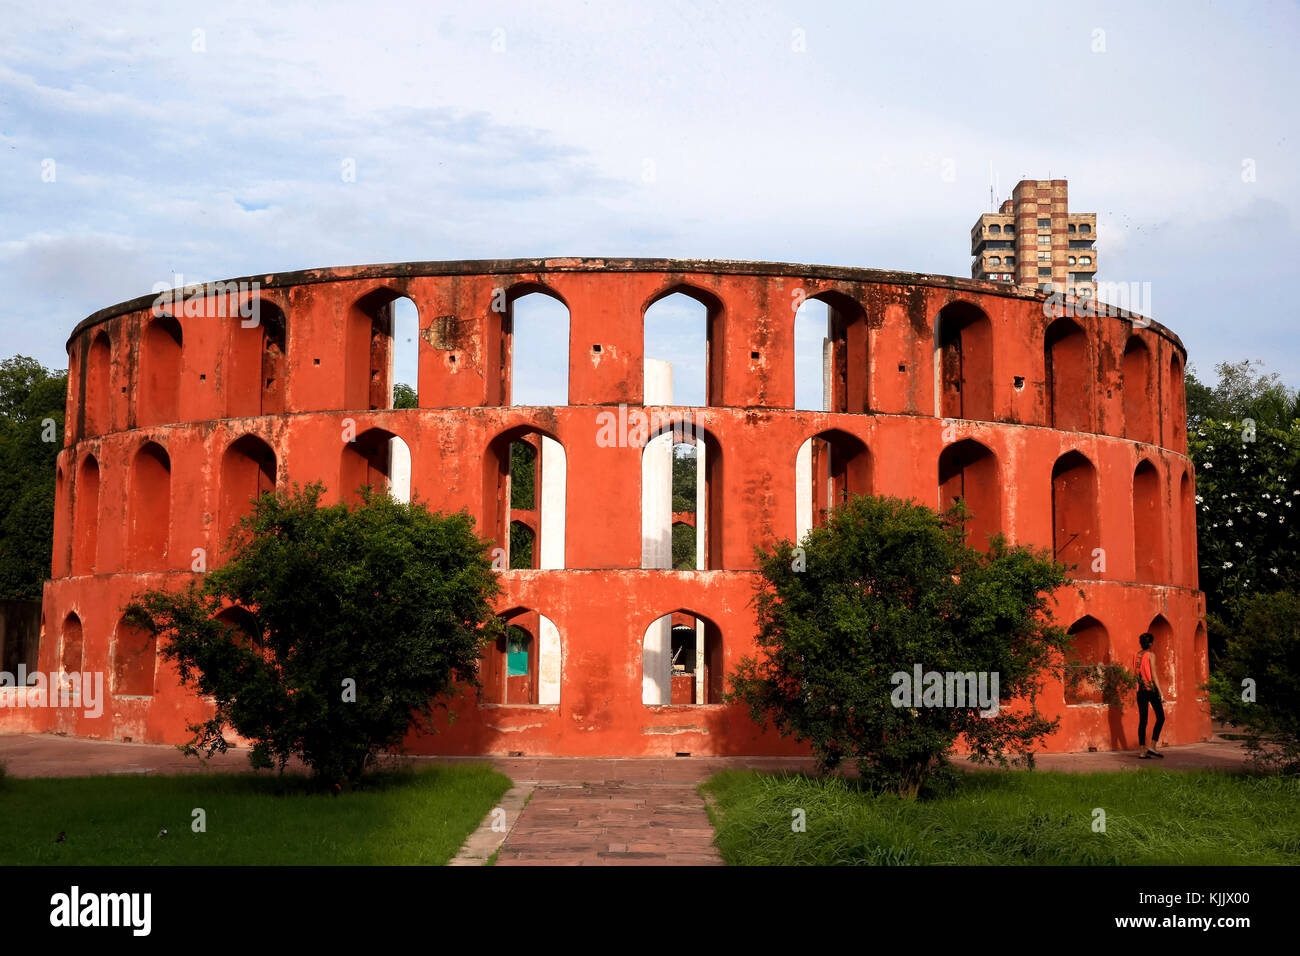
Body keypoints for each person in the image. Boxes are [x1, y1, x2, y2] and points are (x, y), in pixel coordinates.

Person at [1134, 632, 1164, 759]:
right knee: (1161, 717)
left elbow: (1135, 673)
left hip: (1140, 690)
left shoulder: (1136, 655)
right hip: (1151, 689)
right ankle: (1152, 746)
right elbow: (1154, 675)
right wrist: (1161, 693)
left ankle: (1142, 751)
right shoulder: (1151, 655)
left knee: (1143, 721)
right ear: (1150, 643)